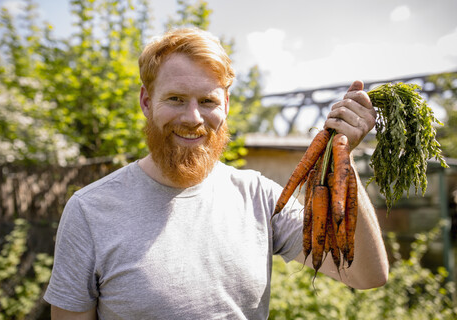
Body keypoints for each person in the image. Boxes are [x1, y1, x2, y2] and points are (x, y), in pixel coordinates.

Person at [44, 27, 388, 319]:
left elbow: (365, 274)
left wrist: (341, 158)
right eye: (176, 99)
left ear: (225, 104)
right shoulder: (90, 210)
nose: (193, 118)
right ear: (147, 102)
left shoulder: (260, 197)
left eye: (207, 101)